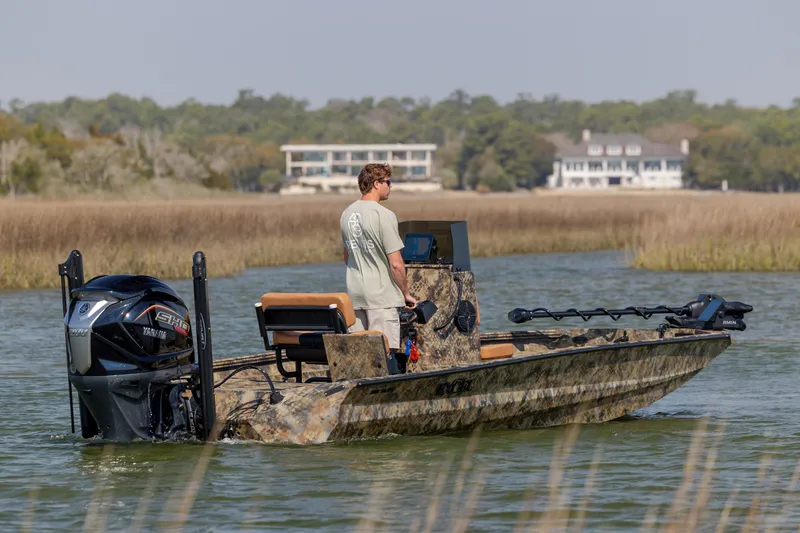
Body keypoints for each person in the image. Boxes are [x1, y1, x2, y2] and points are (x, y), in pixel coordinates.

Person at [340, 163, 417, 363]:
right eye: (388, 182)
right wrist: (406, 294)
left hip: (355, 296)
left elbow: (347, 258)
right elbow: (396, 264)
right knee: (384, 356)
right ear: (376, 183)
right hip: (381, 298)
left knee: (361, 357)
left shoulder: (346, 213)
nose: (391, 186)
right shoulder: (384, 215)